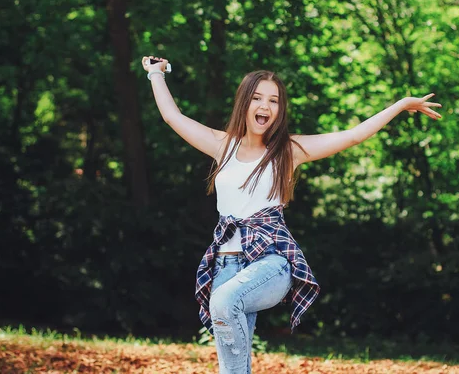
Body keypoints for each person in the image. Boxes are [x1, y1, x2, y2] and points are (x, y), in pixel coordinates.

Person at [142, 55, 442, 374]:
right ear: (244, 102)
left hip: (271, 262)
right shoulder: (222, 146)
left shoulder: (288, 150)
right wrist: (156, 73)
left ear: (279, 110)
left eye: (273, 100)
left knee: (222, 302)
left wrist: (399, 105)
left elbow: (352, 136)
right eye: (257, 98)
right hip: (227, 261)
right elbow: (173, 117)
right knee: (231, 349)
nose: (265, 106)